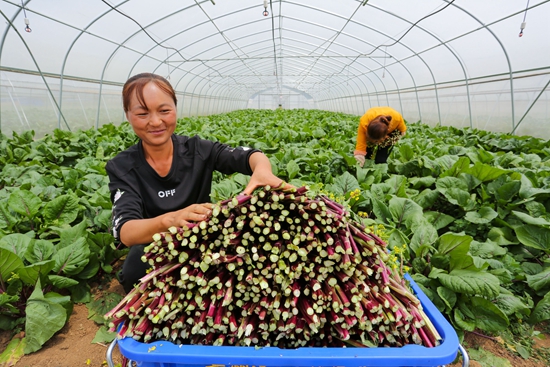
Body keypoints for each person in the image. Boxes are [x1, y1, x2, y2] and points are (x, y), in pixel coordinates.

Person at [106, 73, 286, 293]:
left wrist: (263, 169)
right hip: (155, 242)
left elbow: (248, 156)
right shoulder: (122, 166)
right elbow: (127, 231)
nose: (155, 122)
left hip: (204, 236)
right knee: (135, 272)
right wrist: (171, 220)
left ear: (175, 109)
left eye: (164, 111)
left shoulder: (197, 149)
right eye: (142, 113)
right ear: (128, 115)